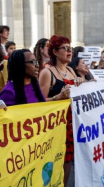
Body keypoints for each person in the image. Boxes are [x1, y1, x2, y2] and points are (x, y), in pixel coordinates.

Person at [39, 35, 83, 186]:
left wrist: (80, 81)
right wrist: (58, 97)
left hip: (72, 123)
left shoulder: (71, 70)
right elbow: (39, 103)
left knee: (69, 161)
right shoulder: (47, 72)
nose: (69, 51)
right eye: (65, 48)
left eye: (70, 48)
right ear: (55, 52)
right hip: (57, 125)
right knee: (59, 160)